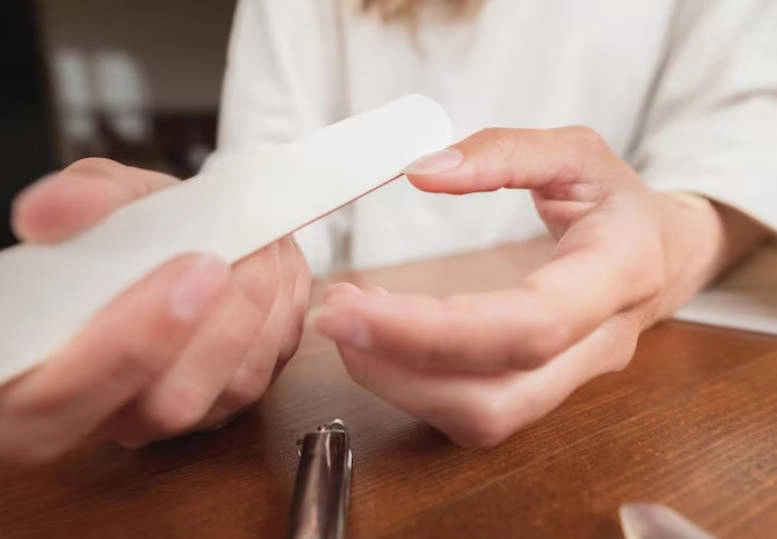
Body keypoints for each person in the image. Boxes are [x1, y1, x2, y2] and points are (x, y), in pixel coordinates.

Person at [2, 0, 776, 463]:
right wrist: (231, 290)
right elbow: (270, 182)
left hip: (653, 392)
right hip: (345, 390)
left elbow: (744, 127)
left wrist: (667, 243)